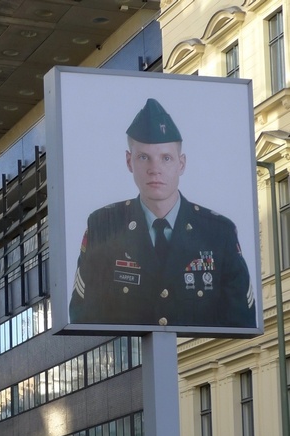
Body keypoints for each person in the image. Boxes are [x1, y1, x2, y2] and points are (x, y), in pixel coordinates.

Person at [69, 98, 257, 331]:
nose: (154, 169)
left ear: (182, 163)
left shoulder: (218, 231)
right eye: (143, 157)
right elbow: (83, 315)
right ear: (129, 162)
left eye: (166, 158)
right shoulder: (104, 226)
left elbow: (242, 319)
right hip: (134, 359)